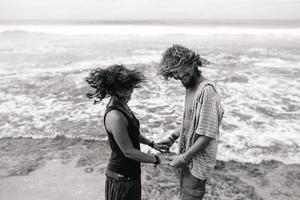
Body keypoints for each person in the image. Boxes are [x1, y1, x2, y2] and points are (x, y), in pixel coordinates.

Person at [86, 64, 169, 200]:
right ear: (116, 89)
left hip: (131, 175)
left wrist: (152, 144)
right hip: (121, 178)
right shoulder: (115, 116)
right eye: (127, 88)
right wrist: (158, 160)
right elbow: (128, 151)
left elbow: (132, 133)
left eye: (131, 87)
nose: (131, 91)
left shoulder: (123, 106)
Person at [158, 45, 224, 200]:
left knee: (190, 195)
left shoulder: (207, 91)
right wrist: (172, 137)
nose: (177, 76)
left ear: (192, 63)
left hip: (198, 161)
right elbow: (190, 120)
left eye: (180, 70)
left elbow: (208, 135)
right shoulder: (189, 85)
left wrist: (184, 157)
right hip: (188, 154)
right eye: (174, 73)